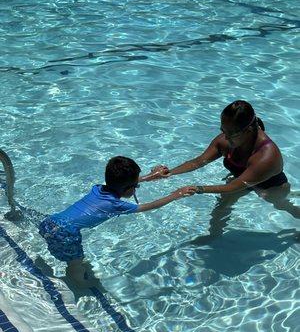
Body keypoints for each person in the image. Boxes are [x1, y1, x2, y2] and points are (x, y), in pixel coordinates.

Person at [140, 100, 299, 238]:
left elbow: (233, 187)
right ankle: (214, 238)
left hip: (271, 186)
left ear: (249, 130)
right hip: (242, 179)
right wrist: (168, 173)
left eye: (231, 133)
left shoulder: (267, 156)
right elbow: (198, 162)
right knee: (222, 206)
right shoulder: (228, 140)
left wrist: (196, 189)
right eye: (223, 131)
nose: (225, 137)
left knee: (282, 205)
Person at [39, 156, 197, 290]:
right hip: (66, 234)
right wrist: (176, 195)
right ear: (129, 188)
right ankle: (80, 285)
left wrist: (150, 176)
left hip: (51, 221)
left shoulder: (98, 188)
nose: (137, 187)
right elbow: (151, 206)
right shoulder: (117, 205)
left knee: (71, 257)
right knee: (75, 264)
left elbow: (121, 184)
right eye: (136, 186)